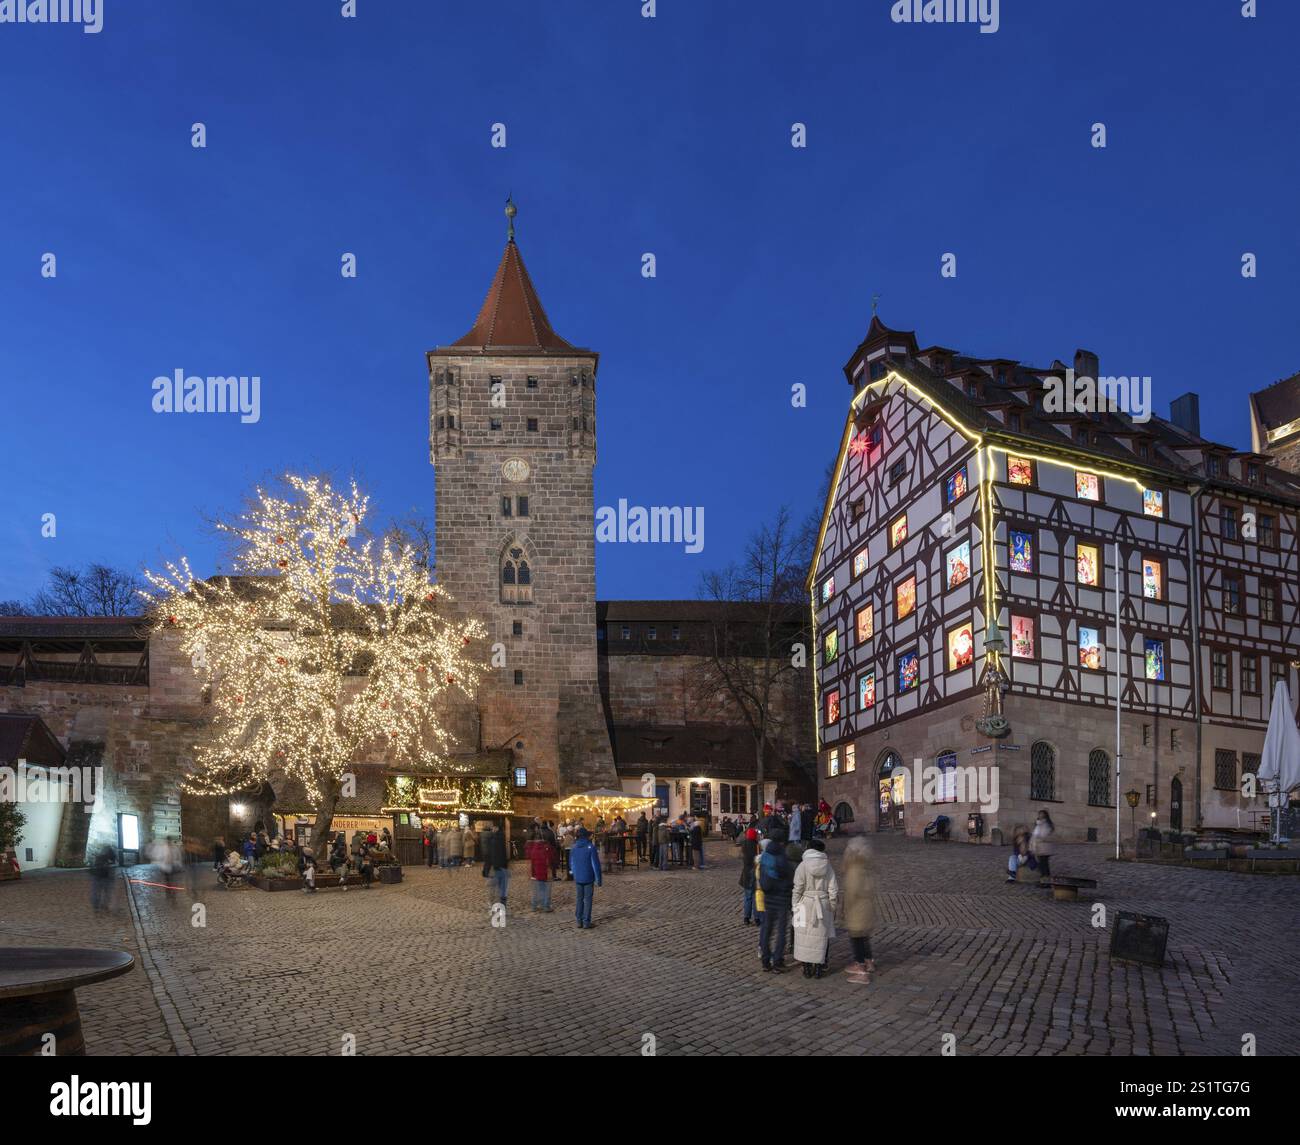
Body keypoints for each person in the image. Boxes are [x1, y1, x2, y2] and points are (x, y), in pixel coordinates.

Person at [792, 837, 838, 979]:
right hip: (823, 904)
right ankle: (819, 968)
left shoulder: (802, 866)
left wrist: (795, 906)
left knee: (803, 936)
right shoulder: (828, 866)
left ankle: (806, 968)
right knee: (822, 936)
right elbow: (833, 889)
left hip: (805, 903)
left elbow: (797, 888)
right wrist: (832, 906)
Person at [840, 836, 876, 983]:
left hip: (856, 910)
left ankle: (861, 970)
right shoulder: (865, 867)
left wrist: (845, 910)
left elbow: (852, 893)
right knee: (863, 937)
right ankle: (869, 962)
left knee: (856, 939)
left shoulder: (854, 870)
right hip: (866, 908)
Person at [759, 837, 792, 972]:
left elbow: (760, 877)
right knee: (781, 931)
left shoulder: (764, 857)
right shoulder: (782, 858)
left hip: (768, 897)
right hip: (782, 898)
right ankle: (777, 960)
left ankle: (765, 960)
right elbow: (789, 878)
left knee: (767, 929)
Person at [569, 826, 602, 929]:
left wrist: (574, 873)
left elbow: (571, 863)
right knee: (587, 900)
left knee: (579, 899)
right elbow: (595, 865)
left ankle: (579, 920)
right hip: (588, 877)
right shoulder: (590, 847)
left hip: (578, 877)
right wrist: (599, 879)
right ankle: (586, 921)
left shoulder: (574, 847)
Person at [526, 830, 555, 912]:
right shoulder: (546, 848)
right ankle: (545, 906)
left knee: (536, 890)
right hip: (544, 872)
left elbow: (530, 858)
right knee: (546, 890)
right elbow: (551, 858)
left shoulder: (533, 848)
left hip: (535, 872)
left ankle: (534, 906)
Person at [481, 822, 509, 906]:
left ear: (496, 828)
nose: (492, 829)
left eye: (494, 828)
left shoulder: (493, 840)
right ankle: (502, 903)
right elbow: (504, 853)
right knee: (502, 887)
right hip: (502, 866)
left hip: (494, 866)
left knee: (492, 886)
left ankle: (492, 903)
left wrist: (487, 868)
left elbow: (490, 855)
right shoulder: (503, 838)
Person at [1031, 810, 1055, 887]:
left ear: (1045, 815)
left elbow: (1043, 835)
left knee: (1044, 865)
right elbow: (1034, 835)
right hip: (1039, 847)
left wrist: (1037, 839)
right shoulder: (1038, 824)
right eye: (1039, 814)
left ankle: (1046, 882)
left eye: (1042, 814)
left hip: (1044, 848)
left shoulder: (1046, 824)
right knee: (1041, 865)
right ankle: (1043, 881)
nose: (1040, 815)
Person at [739, 827, 759, 924]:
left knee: (748, 897)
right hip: (755, 873)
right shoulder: (757, 846)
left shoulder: (744, 845)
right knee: (756, 897)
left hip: (746, 873)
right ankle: (757, 918)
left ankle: (746, 918)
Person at [90, 843, 115, 912]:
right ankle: (104, 905)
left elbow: (94, 866)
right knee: (107, 891)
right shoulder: (110, 858)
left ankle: (96, 905)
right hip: (105, 877)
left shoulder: (98, 857)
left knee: (96, 891)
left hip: (97, 876)